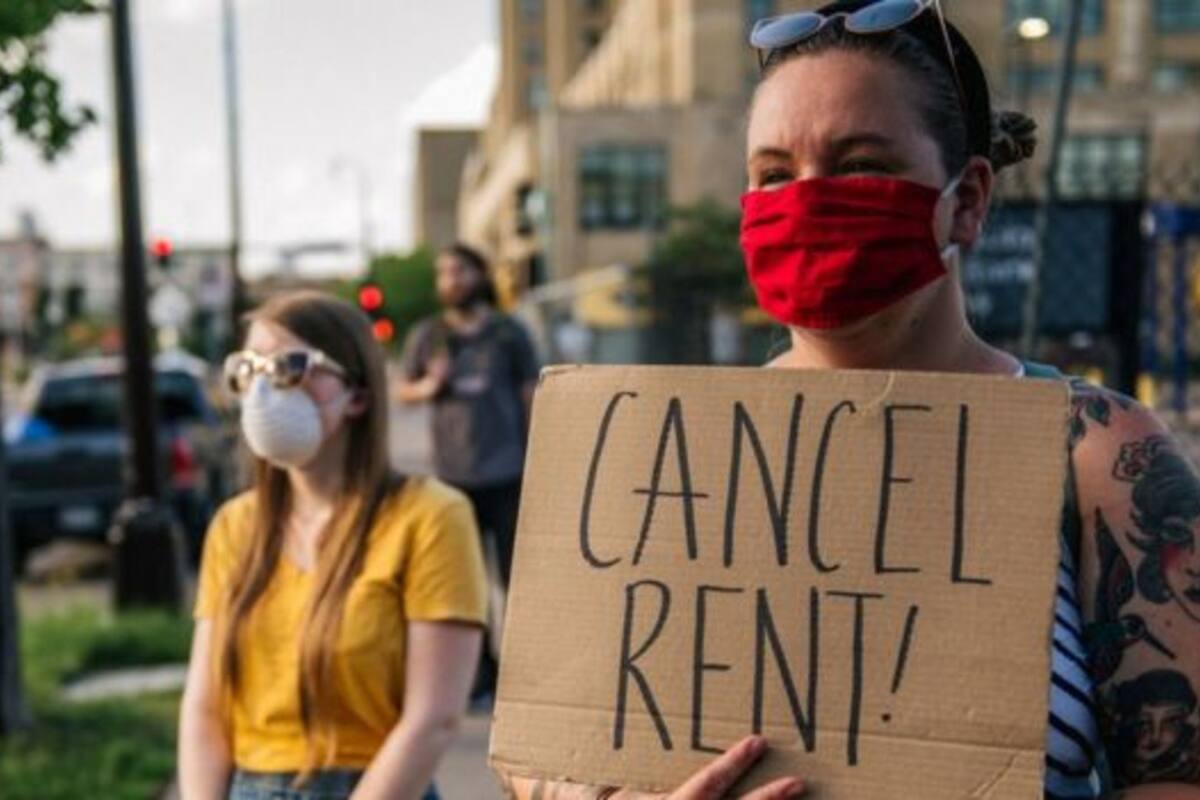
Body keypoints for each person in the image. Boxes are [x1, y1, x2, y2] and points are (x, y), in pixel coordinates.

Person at [501, 1, 1200, 798]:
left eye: (861, 165)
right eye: (772, 175)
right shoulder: (655, 455)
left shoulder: (1098, 454)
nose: (806, 200)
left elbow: (1178, 773)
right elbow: (545, 743)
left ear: (967, 200)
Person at [178, 291, 487, 800]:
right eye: (249, 367)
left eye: (291, 365)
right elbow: (204, 707)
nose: (265, 387)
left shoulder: (429, 517)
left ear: (358, 395)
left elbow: (433, 718)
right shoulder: (235, 527)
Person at [396, 243, 540, 697]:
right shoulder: (430, 335)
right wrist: (430, 384)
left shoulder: (507, 333)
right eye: (443, 274)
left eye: (458, 271)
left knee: (519, 577)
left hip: (509, 470)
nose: (450, 281)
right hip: (453, 477)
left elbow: (531, 391)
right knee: (467, 581)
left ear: (479, 275)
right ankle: (481, 672)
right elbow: (403, 391)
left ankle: (528, 673)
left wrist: (545, 454)